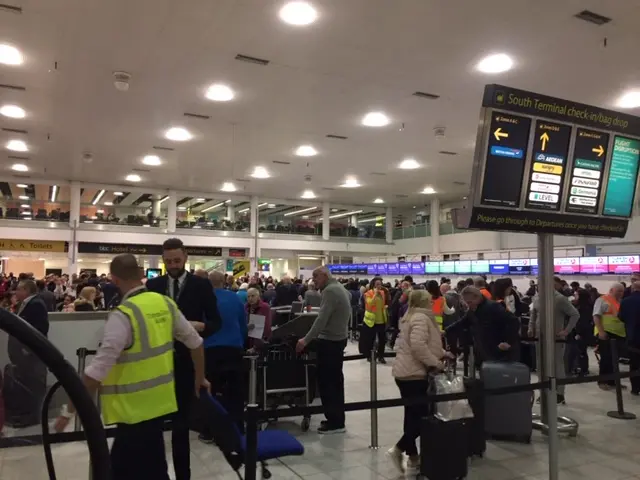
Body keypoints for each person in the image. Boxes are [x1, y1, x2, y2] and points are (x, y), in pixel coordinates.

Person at [53, 254, 208, 480]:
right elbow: (196, 343)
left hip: (132, 412)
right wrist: (200, 377)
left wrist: (68, 411)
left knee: (124, 470)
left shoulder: (123, 316)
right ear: (141, 274)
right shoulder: (165, 303)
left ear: (114, 281)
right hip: (159, 405)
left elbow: (96, 372)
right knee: (153, 467)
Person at [146, 238, 221, 480]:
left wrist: (200, 326)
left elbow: (215, 322)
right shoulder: (153, 285)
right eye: (168, 261)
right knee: (154, 426)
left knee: (180, 426)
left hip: (187, 362)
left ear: (186, 257)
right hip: (158, 361)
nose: (173, 265)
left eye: (177, 260)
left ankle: (183, 476)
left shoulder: (201, 285)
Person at [388, 290, 451, 475]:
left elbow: (422, 343)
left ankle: (414, 458)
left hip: (405, 372)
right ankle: (398, 449)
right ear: (423, 302)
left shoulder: (410, 316)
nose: (432, 303)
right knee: (421, 416)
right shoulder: (422, 318)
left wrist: (441, 353)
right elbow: (418, 346)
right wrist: (436, 362)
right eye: (429, 301)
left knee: (411, 415)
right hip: (413, 374)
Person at [296, 266, 351, 434]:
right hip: (338, 339)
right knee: (335, 381)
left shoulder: (330, 291)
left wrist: (305, 340)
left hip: (330, 342)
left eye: (316, 277)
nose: (313, 280)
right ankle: (337, 418)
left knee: (328, 382)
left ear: (325, 276)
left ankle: (334, 422)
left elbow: (322, 319)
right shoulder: (339, 288)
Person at [199, 271, 248, 442]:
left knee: (210, 391)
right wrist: (240, 342)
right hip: (233, 349)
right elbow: (243, 324)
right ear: (224, 281)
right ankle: (238, 427)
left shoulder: (204, 300)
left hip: (210, 350)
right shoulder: (235, 298)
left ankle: (209, 431)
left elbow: (200, 326)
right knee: (235, 391)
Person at [528, 277, 579, 404]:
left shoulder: (559, 299)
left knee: (557, 365)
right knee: (541, 366)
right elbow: (533, 314)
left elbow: (575, 314)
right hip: (539, 337)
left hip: (556, 338)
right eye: (538, 285)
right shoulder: (537, 298)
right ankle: (543, 392)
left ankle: (559, 393)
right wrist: (531, 328)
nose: (539, 287)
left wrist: (566, 331)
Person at [6, 280, 49, 427]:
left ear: (26, 290)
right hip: (21, 355)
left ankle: (32, 417)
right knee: (24, 384)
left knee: (33, 384)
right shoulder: (23, 304)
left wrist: (29, 349)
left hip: (31, 355)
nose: (16, 292)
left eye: (18, 289)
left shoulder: (36, 304)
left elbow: (40, 329)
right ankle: (24, 415)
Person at [447, 287, 520, 369]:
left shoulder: (493, 307)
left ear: (477, 297)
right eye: (467, 303)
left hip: (499, 353)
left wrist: (508, 341)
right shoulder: (473, 310)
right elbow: (462, 323)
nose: (468, 305)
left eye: (470, 302)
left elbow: (513, 321)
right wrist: (445, 331)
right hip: (485, 352)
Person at [593, 282, 626, 391]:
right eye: (618, 291)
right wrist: (601, 332)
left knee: (614, 359)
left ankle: (612, 381)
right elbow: (596, 316)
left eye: (622, 291)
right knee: (606, 358)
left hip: (619, 334)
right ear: (612, 290)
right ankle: (602, 381)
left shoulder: (620, 302)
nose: (621, 293)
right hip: (606, 332)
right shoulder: (602, 300)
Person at [566, 288, 595, 376]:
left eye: (576, 295)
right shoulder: (581, 306)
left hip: (581, 333)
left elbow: (582, 322)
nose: (575, 296)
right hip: (579, 332)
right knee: (580, 351)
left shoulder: (585, 308)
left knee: (581, 351)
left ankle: (583, 369)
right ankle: (580, 368)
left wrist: (578, 333)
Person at [360, 277, 390, 363]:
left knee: (382, 340)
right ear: (373, 285)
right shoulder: (368, 293)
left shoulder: (383, 293)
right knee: (371, 339)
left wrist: (385, 307)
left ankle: (381, 356)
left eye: (380, 284)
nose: (379, 286)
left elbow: (383, 303)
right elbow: (369, 304)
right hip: (371, 321)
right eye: (377, 284)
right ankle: (369, 356)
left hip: (381, 320)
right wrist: (375, 295)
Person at [618, 281, 640, 394]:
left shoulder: (625, 301)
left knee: (634, 363)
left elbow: (620, 317)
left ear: (632, 289)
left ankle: (635, 388)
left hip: (632, 336)